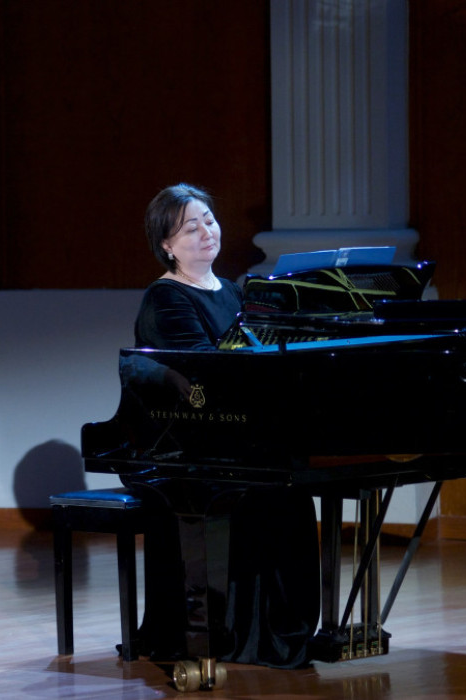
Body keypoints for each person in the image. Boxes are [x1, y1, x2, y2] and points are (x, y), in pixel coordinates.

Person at [128, 183, 320, 668]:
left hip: (238, 433)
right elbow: (201, 375)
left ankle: (279, 632)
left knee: (291, 483)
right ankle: (237, 634)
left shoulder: (234, 291)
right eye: (190, 228)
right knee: (269, 487)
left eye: (209, 220)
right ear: (167, 244)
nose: (206, 232)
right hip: (191, 444)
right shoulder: (166, 298)